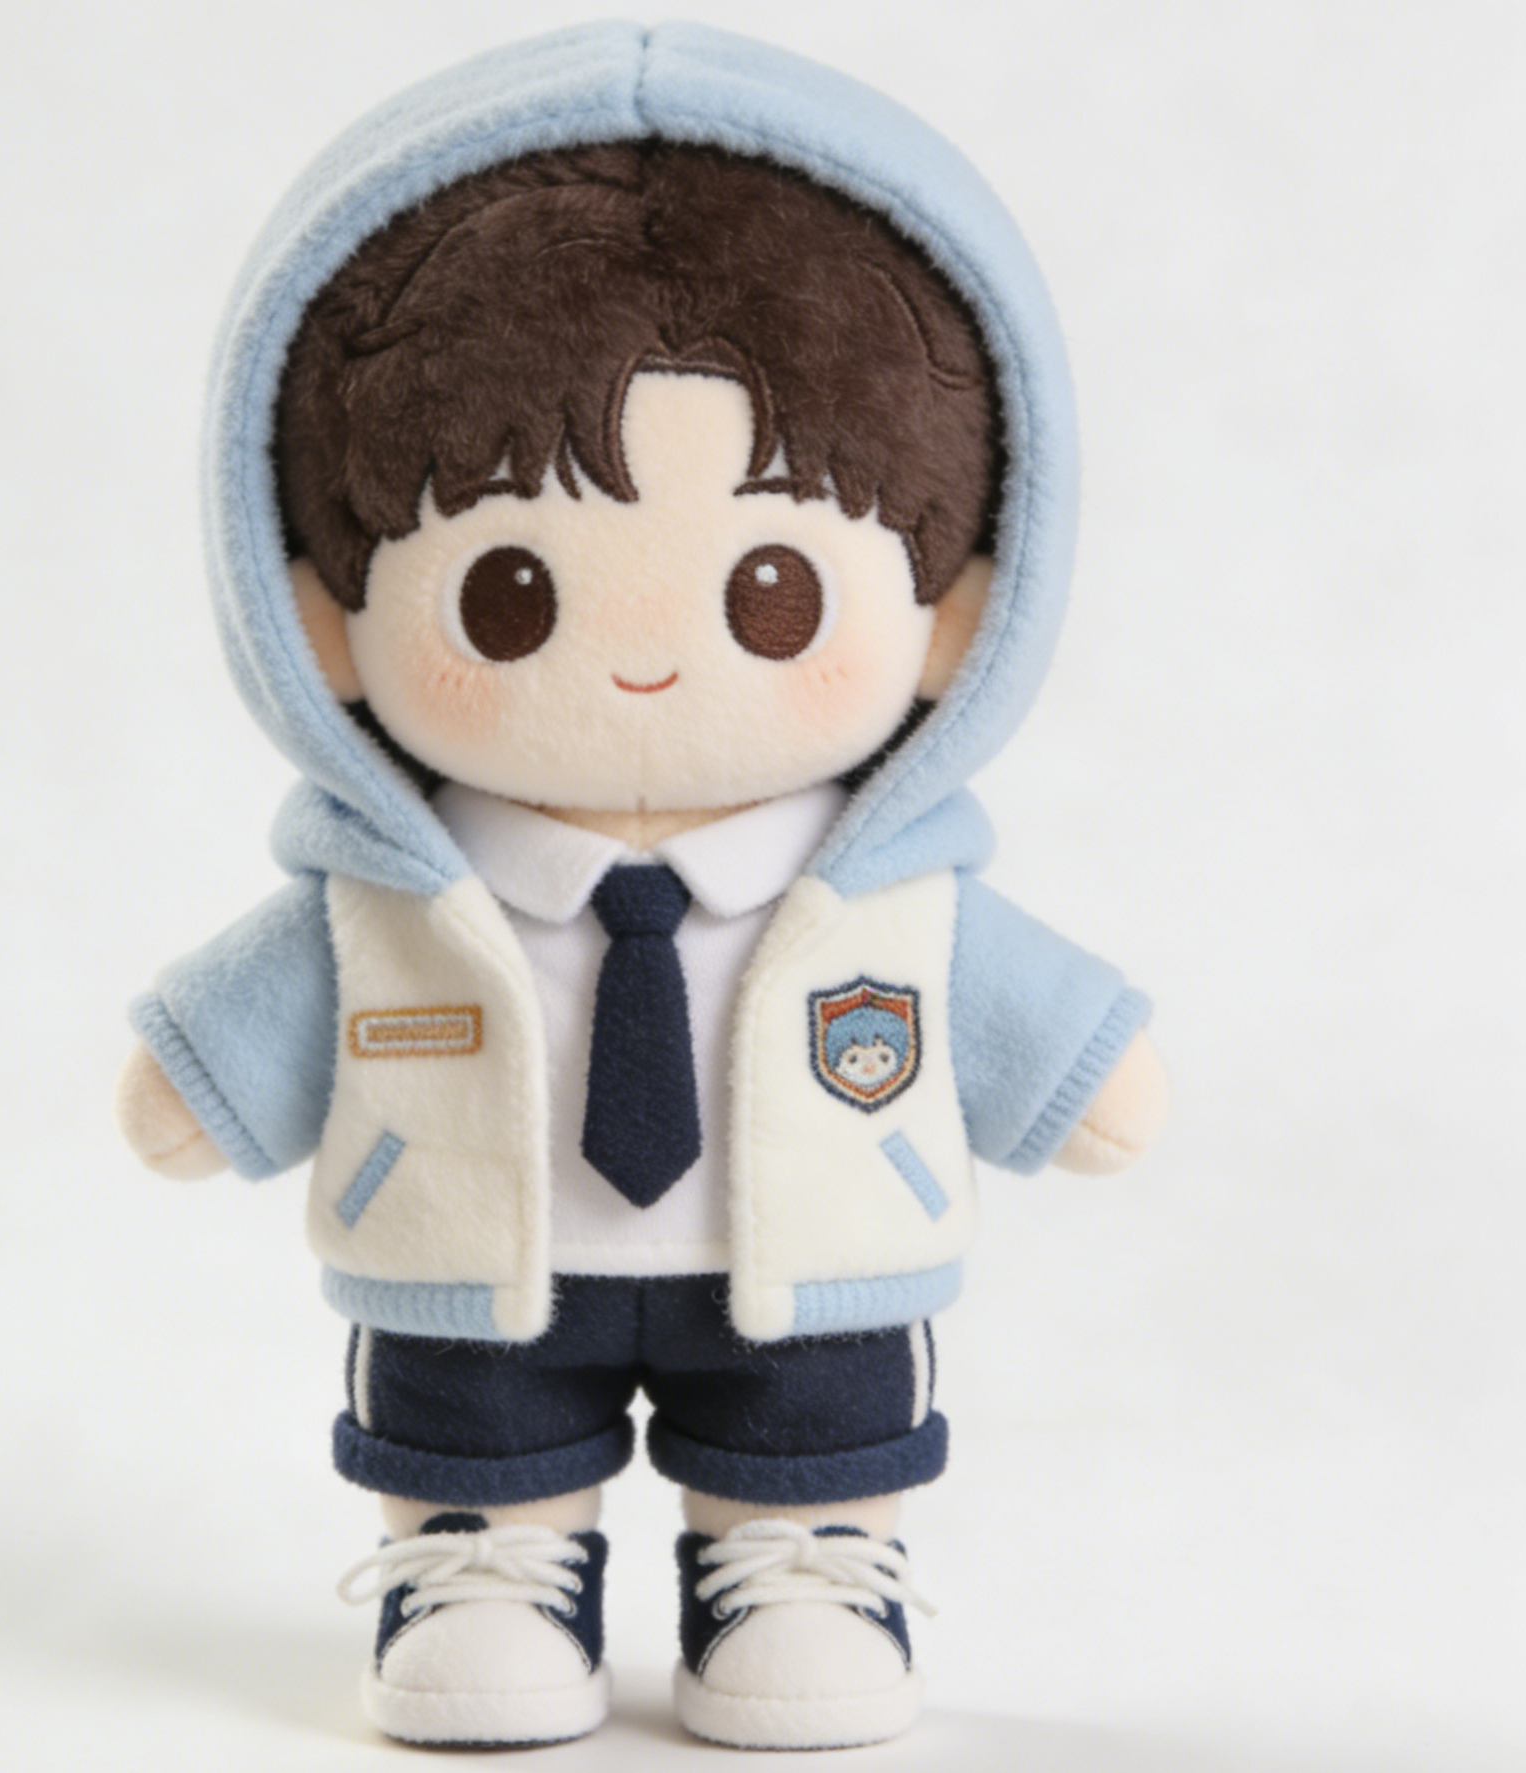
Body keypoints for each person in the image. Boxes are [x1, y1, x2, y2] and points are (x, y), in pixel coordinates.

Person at [115, 25, 1167, 1752]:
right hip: (470, 1272)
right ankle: (481, 1559)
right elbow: (220, 1059)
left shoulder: (888, 897)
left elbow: (1059, 1052)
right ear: (328, 622)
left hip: (818, 1268)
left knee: (821, 1420)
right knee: (464, 1417)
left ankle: (806, 1561)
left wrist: (1084, 1070)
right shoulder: (391, 897)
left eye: (773, 592)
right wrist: (198, 1078)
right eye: (508, 595)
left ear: (952, 613)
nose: (647, 668)